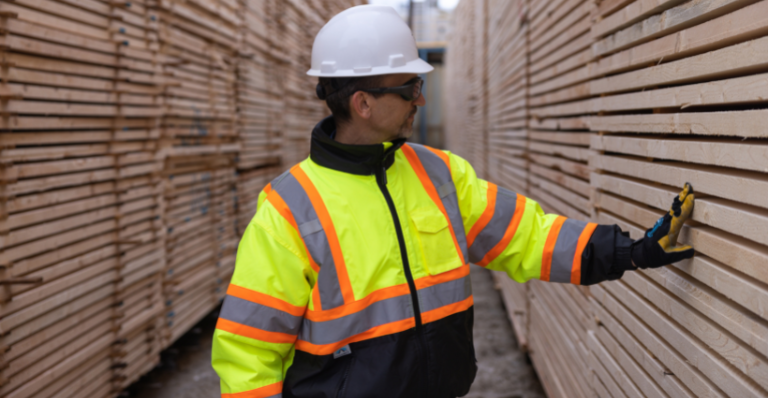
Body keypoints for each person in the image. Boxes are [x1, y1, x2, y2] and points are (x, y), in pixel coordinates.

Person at [211, 5, 695, 398]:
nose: (420, 100)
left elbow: (525, 234)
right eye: (410, 88)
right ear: (363, 103)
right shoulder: (289, 210)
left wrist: (626, 251)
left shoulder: (439, 173)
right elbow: (249, 351)